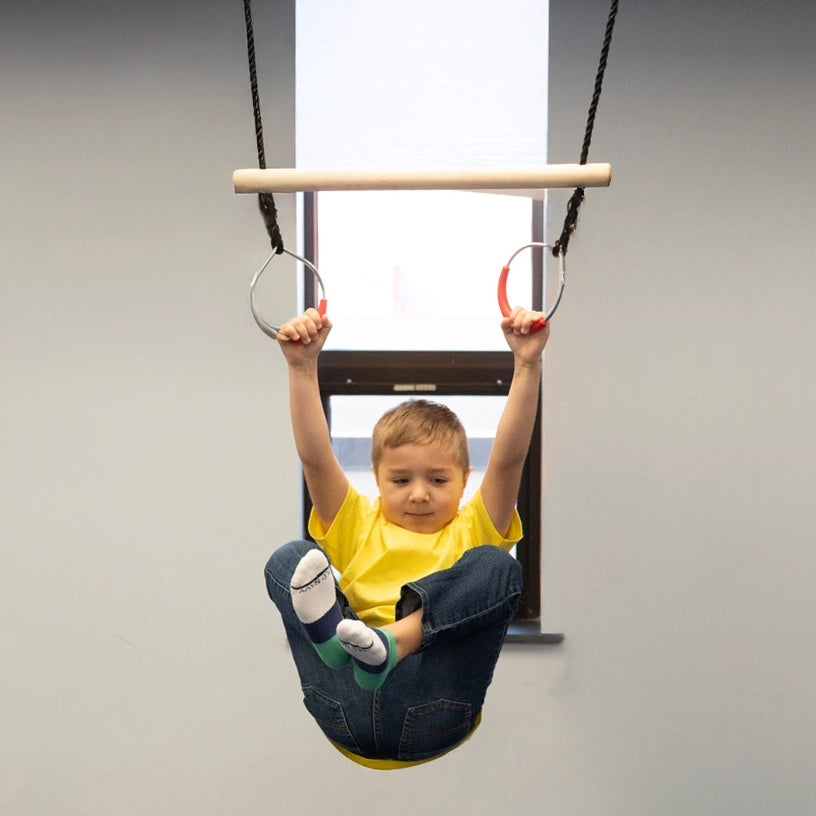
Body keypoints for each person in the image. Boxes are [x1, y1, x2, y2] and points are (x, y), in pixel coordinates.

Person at [264, 305, 550, 770]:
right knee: (289, 558)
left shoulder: (474, 527)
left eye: (438, 480)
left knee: (498, 568)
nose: (419, 494)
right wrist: (301, 366)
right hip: (344, 699)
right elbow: (316, 459)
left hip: (434, 705)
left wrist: (527, 363)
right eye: (401, 481)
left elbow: (509, 459)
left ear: (464, 480)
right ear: (376, 478)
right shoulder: (359, 524)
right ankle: (341, 646)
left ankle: (393, 643)